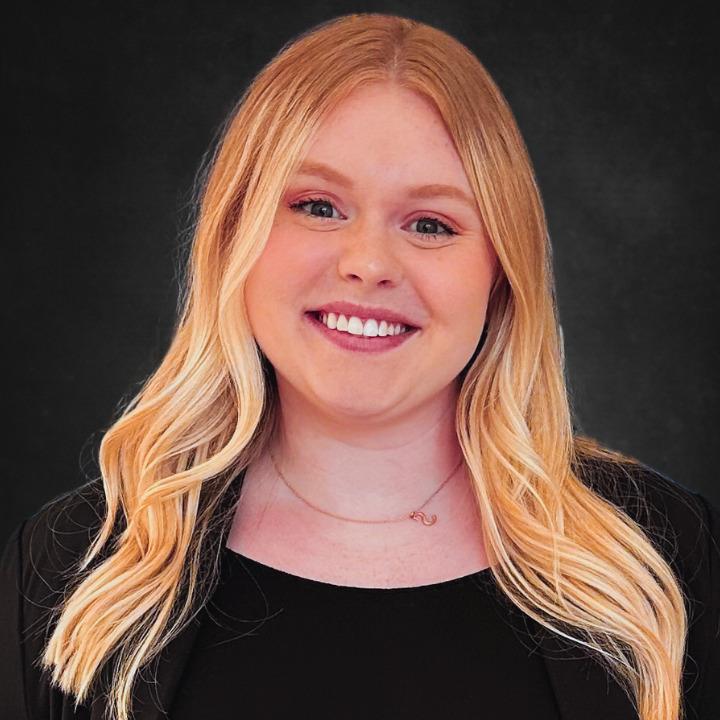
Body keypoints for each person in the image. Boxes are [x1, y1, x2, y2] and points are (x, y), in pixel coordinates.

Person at [1, 13, 718, 720]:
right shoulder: (72, 575)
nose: (369, 264)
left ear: (501, 272)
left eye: (430, 224)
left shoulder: (664, 562)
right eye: (318, 206)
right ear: (233, 239)